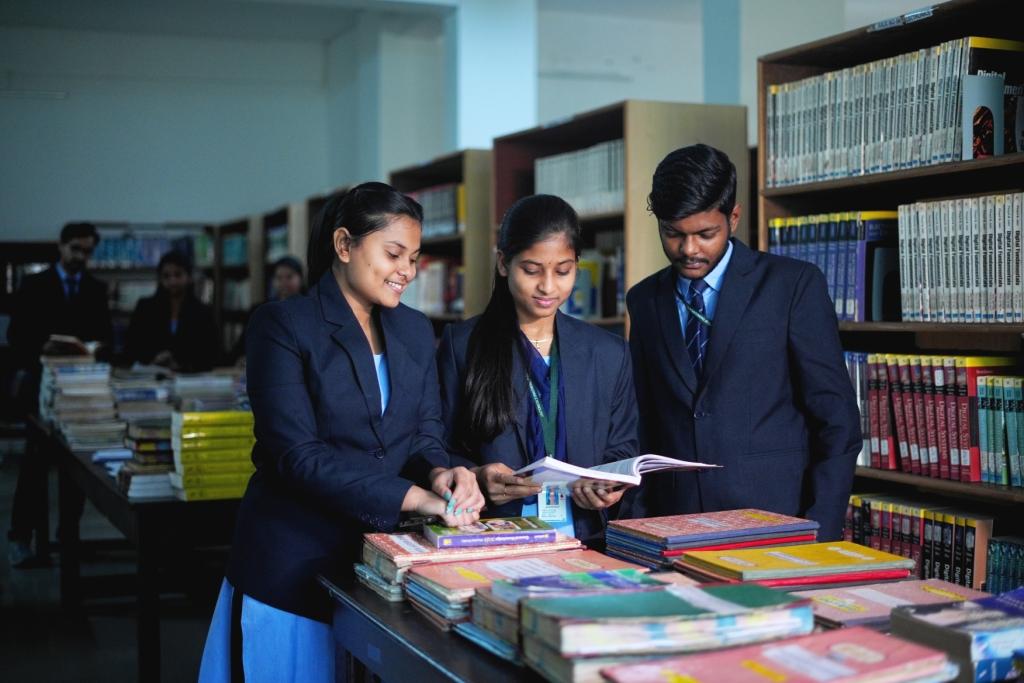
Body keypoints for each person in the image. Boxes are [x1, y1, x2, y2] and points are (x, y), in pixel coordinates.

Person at [198, 182, 485, 683]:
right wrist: (415, 497)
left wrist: (444, 473)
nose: (407, 272)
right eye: (394, 253)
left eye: (415, 258)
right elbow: (297, 456)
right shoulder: (282, 325)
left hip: (381, 568)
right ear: (344, 245)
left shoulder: (415, 329)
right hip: (292, 564)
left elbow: (424, 434)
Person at [625, 144, 861, 541]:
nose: (689, 250)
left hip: (775, 518)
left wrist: (821, 526)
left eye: (705, 234)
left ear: (733, 217)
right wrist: (637, 517)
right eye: (673, 234)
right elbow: (643, 418)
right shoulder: (644, 299)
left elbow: (836, 418)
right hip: (672, 523)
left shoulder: (792, 286)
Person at [437, 194, 638, 549]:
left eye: (563, 271)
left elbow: (622, 448)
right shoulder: (461, 345)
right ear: (503, 263)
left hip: (587, 541)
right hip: (492, 538)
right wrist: (477, 476)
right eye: (531, 270)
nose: (548, 286)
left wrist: (609, 486)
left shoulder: (608, 353)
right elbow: (438, 446)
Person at [6, 221, 112, 567]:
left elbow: (106, 337)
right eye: (75, 249)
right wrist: (43, 346)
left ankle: (68, 536)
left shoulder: (95, 290)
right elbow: (16, 335)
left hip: (81, 391)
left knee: (75, 469)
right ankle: (21, 538)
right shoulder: (35, 284)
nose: (81, 257)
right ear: (61, 246)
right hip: (42, 388)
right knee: (35, 466)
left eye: (87, 251)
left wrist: (92, 348)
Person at [125, 250, 221, 372]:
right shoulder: (145, 308)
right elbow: (130, 348)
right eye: (166, 276)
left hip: (188, 378)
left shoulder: (203, 312)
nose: (172, 281)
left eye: (178, 274)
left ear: (189, 277)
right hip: (151, 375)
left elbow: (212, 353)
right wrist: (153, 359)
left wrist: (181, 364)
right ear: (160, 279)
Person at [227, 255, 306, 364]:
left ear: (301, 279)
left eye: (289, 277)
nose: (284, 282)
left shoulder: (311, 310)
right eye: (278, 278)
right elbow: (242, 348)